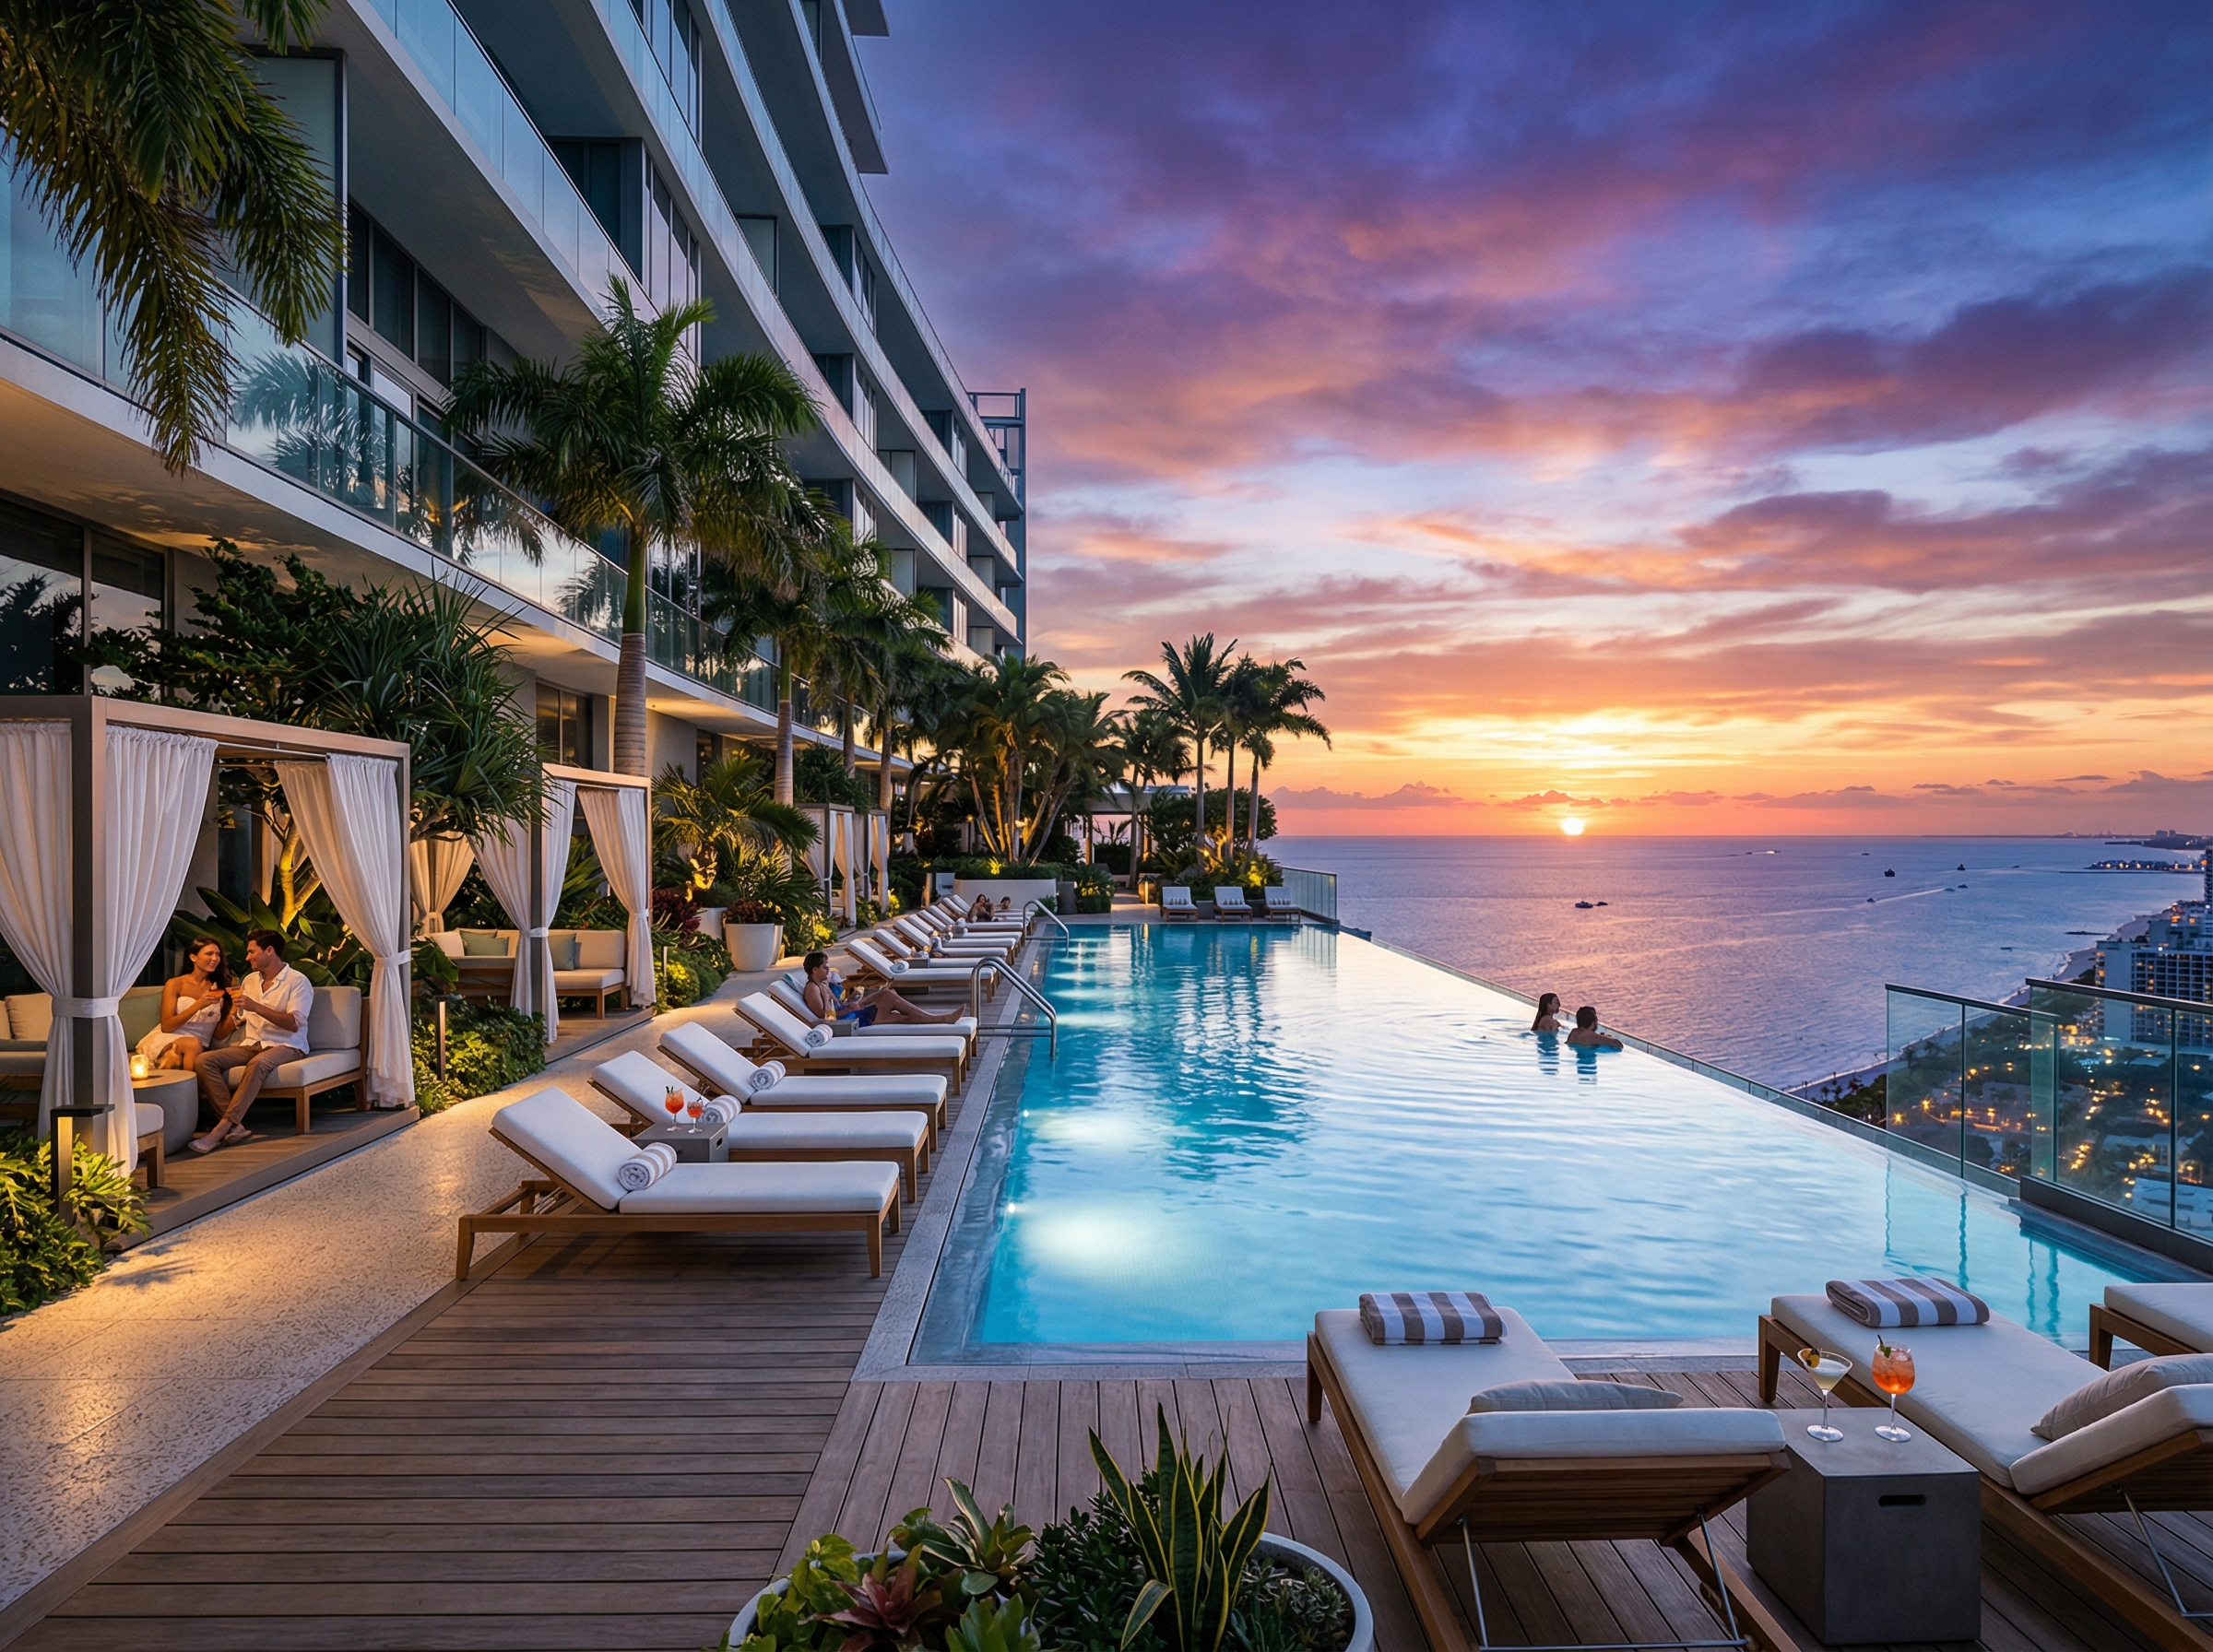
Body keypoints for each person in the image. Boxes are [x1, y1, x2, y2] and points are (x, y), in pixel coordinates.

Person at [192, 928, 314, 1151]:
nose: (247, 957)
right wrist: (219, 1011)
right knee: (203, 1061)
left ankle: (221, 1129)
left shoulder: (298, 982)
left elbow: (294, 1023)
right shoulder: (249, 980)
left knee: (257, 1064)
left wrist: (256, 1006)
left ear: (269, 951)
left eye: (251, 952)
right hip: (253, 1043)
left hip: (287, 1044)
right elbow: (238, 1019)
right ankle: (236, 1127)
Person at [139, 937, 235, 1073]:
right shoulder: (175, 984)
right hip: (168, 1039)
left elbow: (218, 1035)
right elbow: (166, 1026)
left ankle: (187, 1089)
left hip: (200, 1045)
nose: (215, 958)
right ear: (193, 957)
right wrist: (198, 1005)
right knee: (193, 1044)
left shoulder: (221, 987)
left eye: (218, 954)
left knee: (195, 1044)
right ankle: (191, 1091)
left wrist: (236, 1012)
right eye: (209, 954)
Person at [800, 950, 962, 1027]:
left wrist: (849, 1000)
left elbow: (835, 1006)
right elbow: (824, 1016)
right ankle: (941, 1019)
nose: (828, 970)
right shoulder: (812, 989)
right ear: (815, 970)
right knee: (893, 1005)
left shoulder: (822, 984)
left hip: (849, 1012)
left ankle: (941, 1018)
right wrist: (849, 1007)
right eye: (825, 967)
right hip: (847, 1021)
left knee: (887, 993)